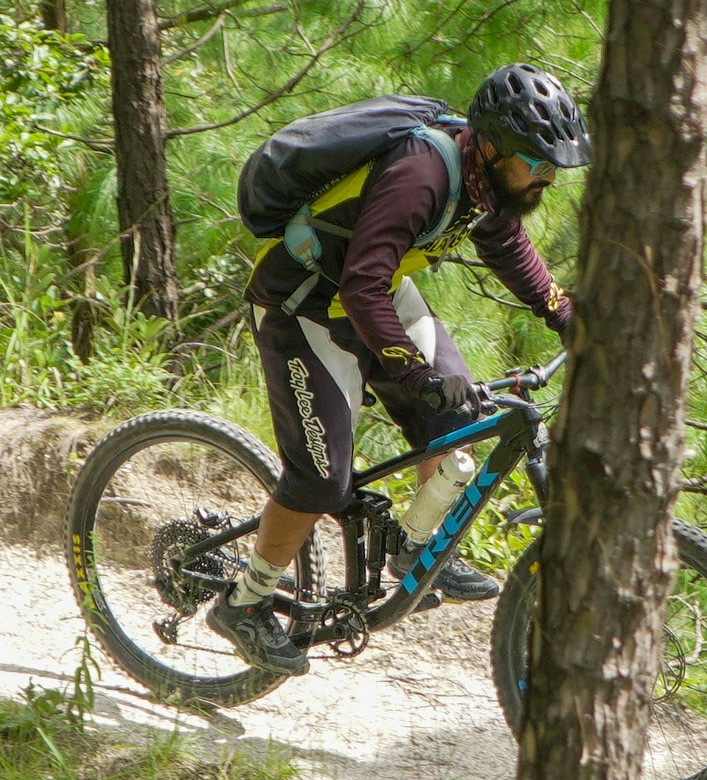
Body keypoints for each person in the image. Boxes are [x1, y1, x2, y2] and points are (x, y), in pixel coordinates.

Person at [219, 63, 589, 663]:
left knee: (458, 417)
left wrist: (563, 313)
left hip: (377, 294)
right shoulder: (421, 173)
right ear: (494, 146)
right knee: (320, 478)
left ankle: (417, 550)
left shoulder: (485, 177)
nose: (548, 176)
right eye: (538, 161)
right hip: (308, 306)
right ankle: (246, 601)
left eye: (555, 165)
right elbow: (361, 286)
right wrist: (416, 374)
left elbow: (504, 241)